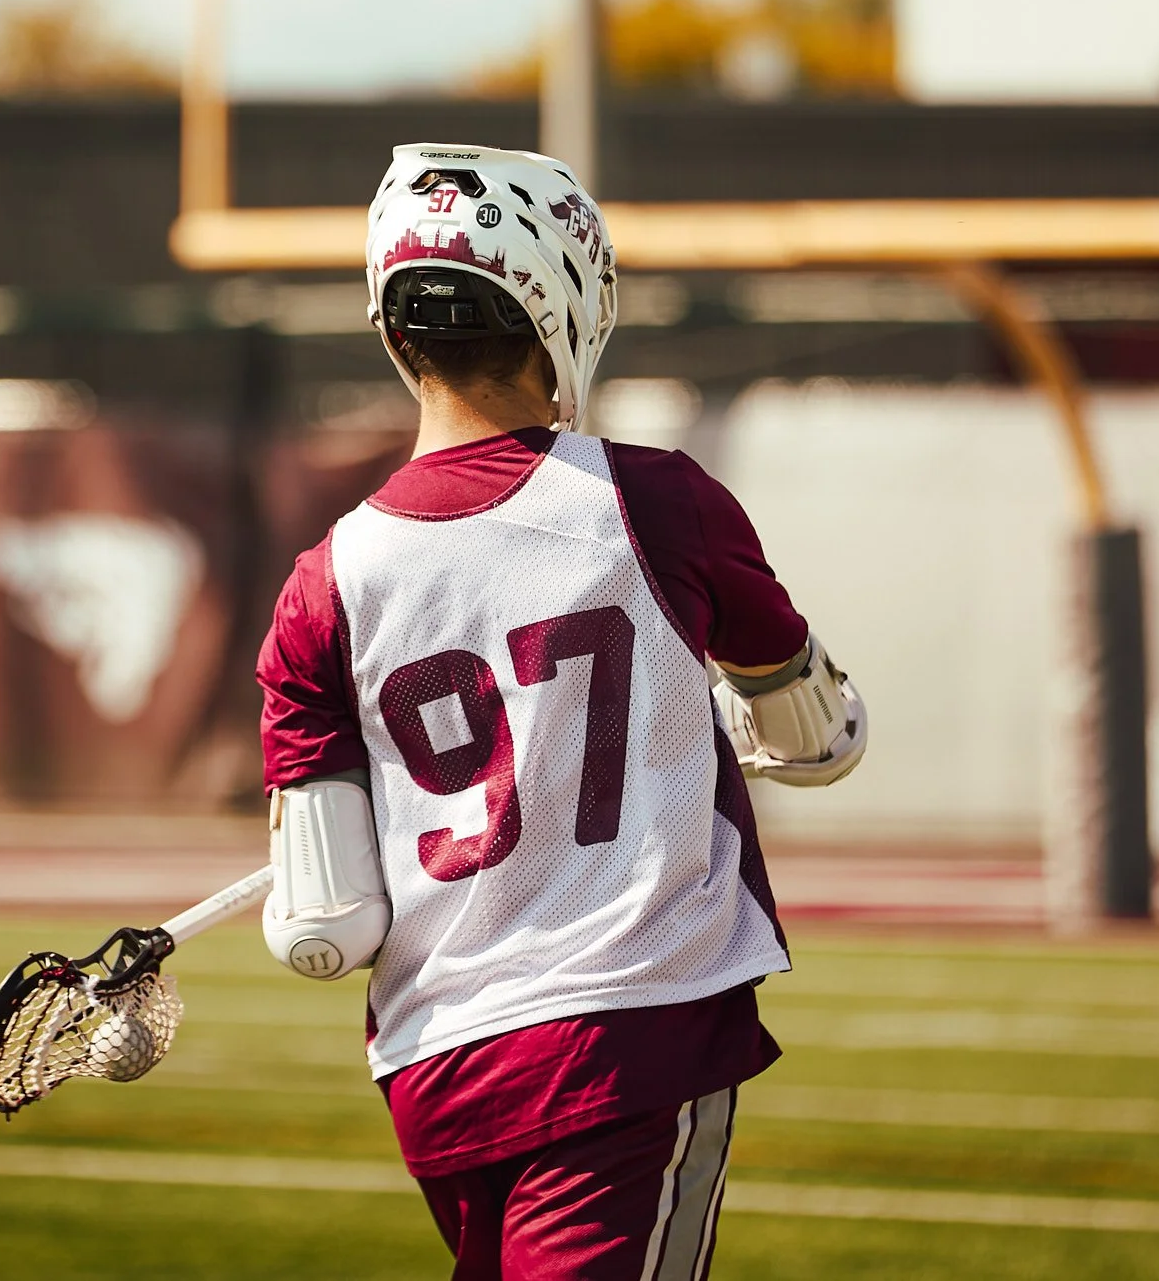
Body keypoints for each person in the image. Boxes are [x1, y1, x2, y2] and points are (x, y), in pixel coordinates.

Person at [255, 143, 867, 1281]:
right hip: (623, 1031)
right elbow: (814, 732)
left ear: (393, 330)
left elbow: (324, 922)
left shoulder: (320, 585)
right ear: (568, 311)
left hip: (438, 1063)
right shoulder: (654, 501)